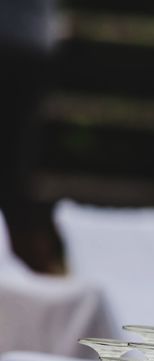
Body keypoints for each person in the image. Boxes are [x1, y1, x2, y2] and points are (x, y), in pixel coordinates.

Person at [0, 0, 57, 270]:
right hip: (30, 40)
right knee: (13, 165)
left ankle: (25, 262)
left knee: (12, 166)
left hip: (21, 41)